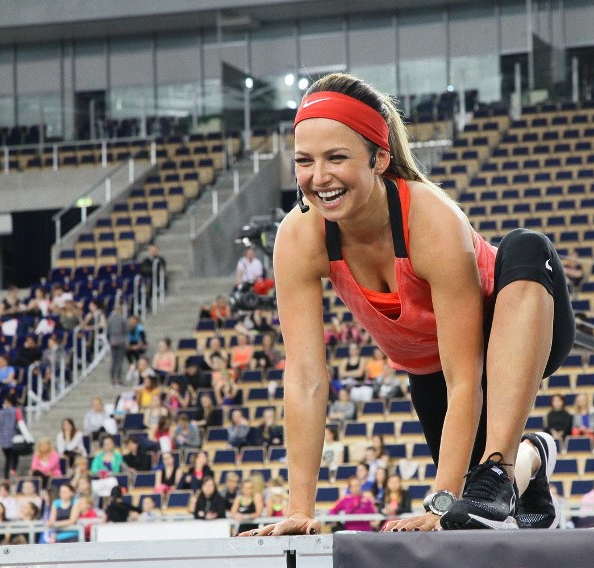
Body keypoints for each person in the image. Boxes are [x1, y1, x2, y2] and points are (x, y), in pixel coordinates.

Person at [242, 73, 574, 536]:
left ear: (379, 159)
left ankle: (499, 465)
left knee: (525, 243)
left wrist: (440, 503)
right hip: (431, 371)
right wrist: (300, 508)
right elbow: (305, 378)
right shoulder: (299, 238)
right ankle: (530, 459)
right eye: (304, 161)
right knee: (474, 513)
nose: (319, 177)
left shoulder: (431, 219)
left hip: (521, 326)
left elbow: (468, 376)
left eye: (337, 158)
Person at [0, 394, 21, 480]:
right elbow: (20, 424)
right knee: (14, 456)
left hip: (3, 439)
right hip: (14, 438)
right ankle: (13, 470)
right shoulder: (17, 411)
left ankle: (6, 476)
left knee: (8, 458)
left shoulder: (0, 412)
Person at [106, 305, 128, 386]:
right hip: (121, 341)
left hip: (112, 341)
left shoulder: (110, 319)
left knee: (113, 361)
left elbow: (108, 331)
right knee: (119, 361)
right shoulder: (123, 319)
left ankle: (112, 379)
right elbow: (126, 330)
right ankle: (118, 379)